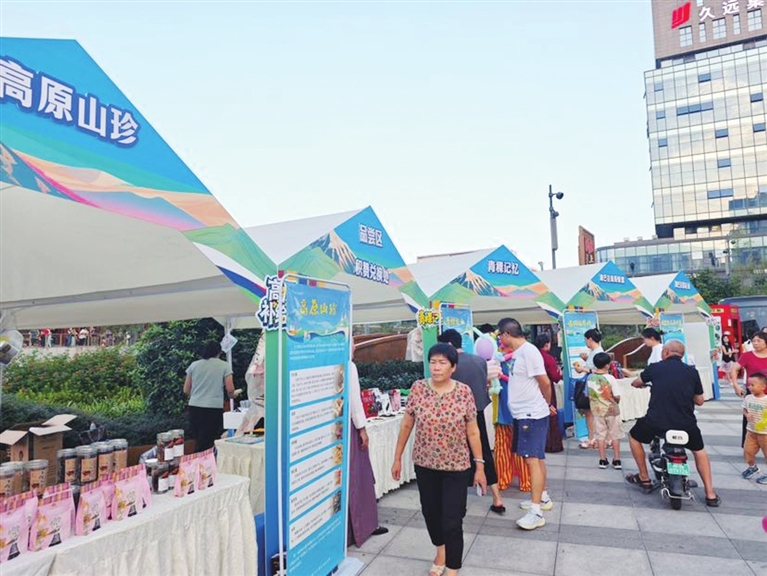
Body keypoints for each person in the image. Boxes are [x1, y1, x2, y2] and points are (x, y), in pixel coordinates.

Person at [392, 343, 487, 576]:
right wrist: (397, 457)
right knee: (431, 513)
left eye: (442, 363)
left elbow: (473, 432)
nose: (436, 367)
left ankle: (453, 568)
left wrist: (480, 466)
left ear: (453, 367)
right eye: (433, 362)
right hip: (425, 465)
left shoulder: (464, 392)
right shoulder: (418, 388)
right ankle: (440, 552)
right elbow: (407, 424)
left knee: (453, 519)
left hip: (456, 466)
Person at [626, 341, 720, 506]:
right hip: (686, 424)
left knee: (633, 437)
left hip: (656, 421)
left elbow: (636, 383)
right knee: (699, 452)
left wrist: (647, 384)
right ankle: (710, 493)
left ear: (666, 352)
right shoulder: (691, 371)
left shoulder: (655, 368)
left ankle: (644, 478)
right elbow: (700, 401)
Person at [438, 329, 505, 513]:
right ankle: (497, 498)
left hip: (454, 418)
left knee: (455, 456)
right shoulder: (479, 361)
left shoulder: (450, 366)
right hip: (478, 413)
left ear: (448, 345)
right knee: (484, 453)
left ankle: (456, 501)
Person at [497, 318, 554, 531]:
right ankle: (542, 497)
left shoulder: (529, 352)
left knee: (532, 460)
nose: (499, 340)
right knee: (537, 458)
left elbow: (545, 382)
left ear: (506, 334)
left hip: (531, 413)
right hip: (524, 414)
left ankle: (536, 512)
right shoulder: (519, 353)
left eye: (500, 335)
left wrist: (546, 403)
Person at [347, 351, 388, 547]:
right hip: (348, 428)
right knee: (358, 477)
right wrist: (361, 428)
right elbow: (355, 401)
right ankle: (363, 526)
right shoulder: (348, 365)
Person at [183, 341, 235, 451]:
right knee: (209, 441)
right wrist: (232, 395)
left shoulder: (194, 365)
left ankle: (199, 460)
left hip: (194, 407)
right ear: (219, 352)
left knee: (199, 439)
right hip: (213, 408)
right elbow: (230, 389)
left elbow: (186, 390)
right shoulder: (224, 366)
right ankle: (206, 461)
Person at [729, 331, 767, 446]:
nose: (755, 343)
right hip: (753, 395)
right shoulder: (747, 356)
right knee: (750, 420)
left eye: (759, 341)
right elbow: (734, 369)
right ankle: (749, 445)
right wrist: (736, 385)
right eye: (753, 341)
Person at [587, 352, 624, 469]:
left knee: (600, 435)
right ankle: (617, 460)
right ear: (607, 365)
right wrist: (616, 401)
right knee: (615, 435)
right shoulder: (610, 378)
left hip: (597, 411)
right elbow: (617, 395)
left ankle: (602, 460)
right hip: (612, 410)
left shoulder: (590, 378)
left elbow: (589, 394)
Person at [573, 328, 604, 449]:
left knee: (590, 412)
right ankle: (594, 437)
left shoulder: (597, 352)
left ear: (590, 339)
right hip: (592, 384)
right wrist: (586, 360)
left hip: (593, 385)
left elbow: (599, 369)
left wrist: (583, 369)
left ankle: (592, 438)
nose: (585, 342)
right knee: (590, 412)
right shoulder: (595, 351)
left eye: (585, 340)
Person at [535, 334, 564, 453]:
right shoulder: (548, 358)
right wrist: (560, 373)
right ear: (547, 344)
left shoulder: (533, 356)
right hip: (546, 388)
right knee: (550, 415)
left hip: (533, 388)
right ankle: (551, 444)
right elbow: (555, 377)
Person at [741, 372, 767, 484]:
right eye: (749, 385)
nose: (749, 387)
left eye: (752, 385)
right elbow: (744, 409)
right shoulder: (748, 398)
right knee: (748, 451)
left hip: (765, 433)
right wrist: (747, 415)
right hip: (751, 431)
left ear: (763, 387)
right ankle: (752, 467)